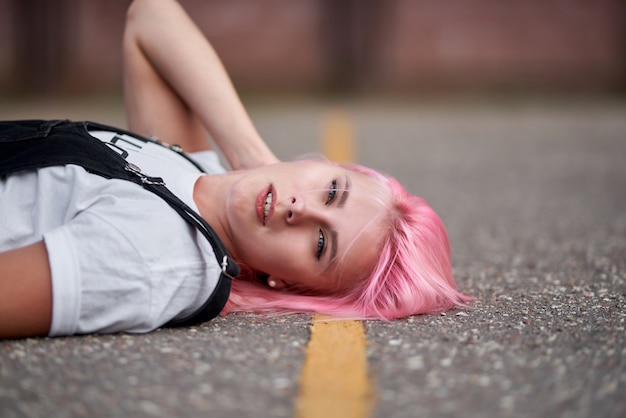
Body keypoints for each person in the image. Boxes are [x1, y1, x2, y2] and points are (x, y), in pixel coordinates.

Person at [0, 0, 471, 340]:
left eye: (321, 243)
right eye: (331, 191)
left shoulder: (157, 259)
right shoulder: (196, 174)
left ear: (287, 283)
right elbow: (151, 18)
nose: (298, 209)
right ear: (324, 165)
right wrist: (251, 154)